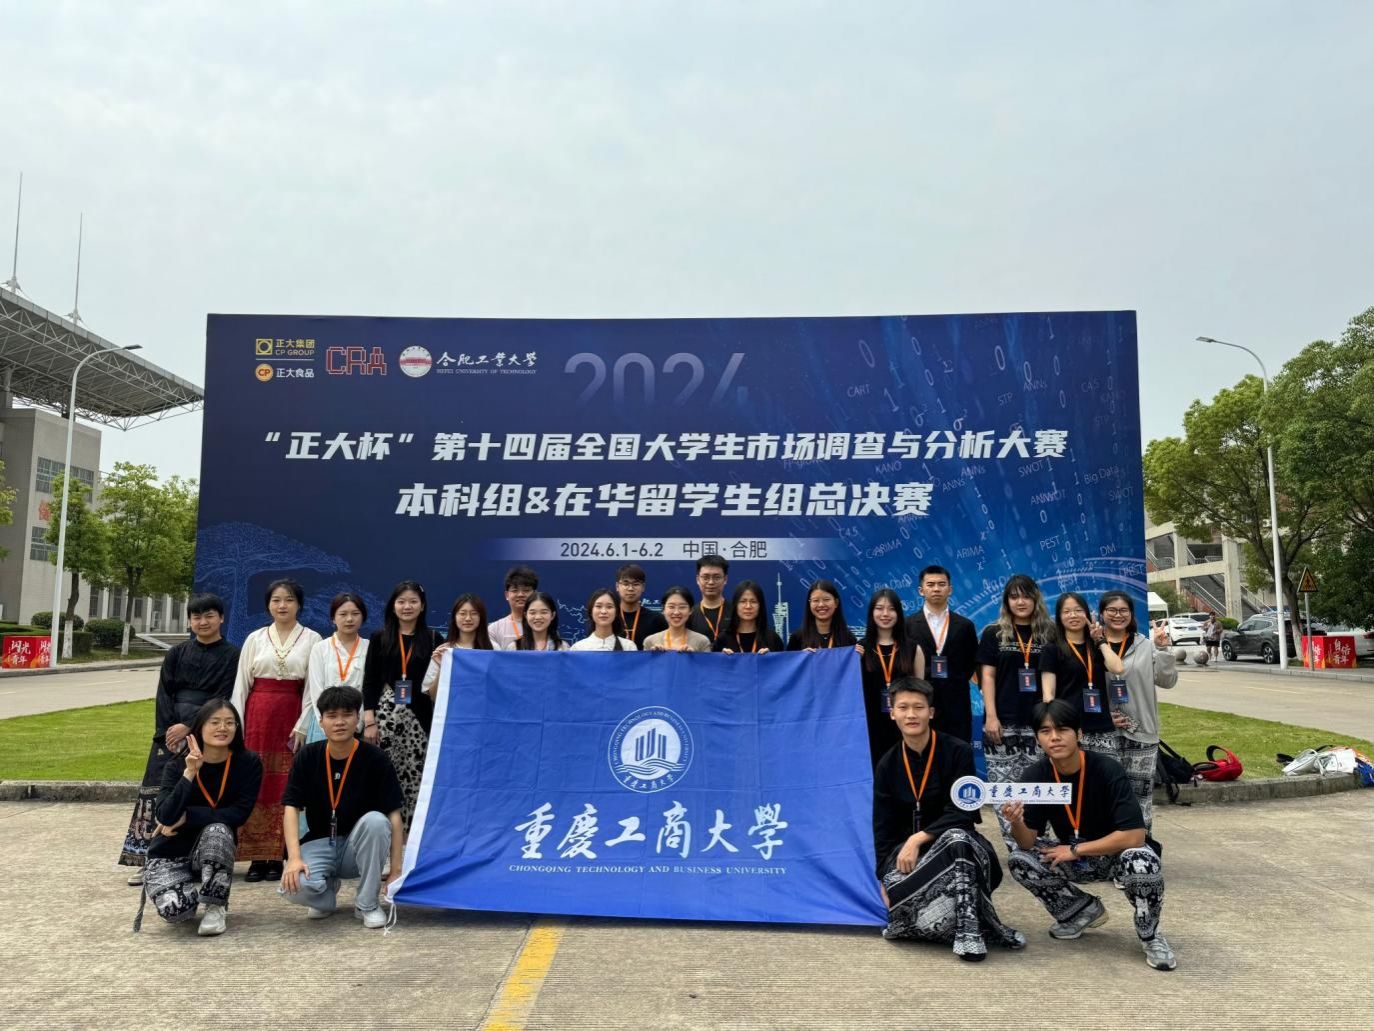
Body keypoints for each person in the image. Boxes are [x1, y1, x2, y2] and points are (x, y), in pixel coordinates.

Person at [1001, 699, 1175, 971]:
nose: (1054, 737)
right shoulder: (1036, 776)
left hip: (1117, 856)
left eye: (1062, 729)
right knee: (1020, 859)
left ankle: (1151, 935)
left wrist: (1074, 850)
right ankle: (1081, 911)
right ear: (1037, 739)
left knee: (1142, 861)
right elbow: (1026, 842)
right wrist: (1016, 822)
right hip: (1075, 857)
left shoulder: (1106, 769)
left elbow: (1135, 836)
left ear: (1079, 734)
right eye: (1045, 731)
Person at [873, 678, 1025, 962]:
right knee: (897, 891)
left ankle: (969, 933)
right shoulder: (887, 764)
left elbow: (964, 813)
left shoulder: (958, 751)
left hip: (961, 852)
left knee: (956, 838)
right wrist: (882, 877)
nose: (911, 714)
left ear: (931, 712)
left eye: (918, 707)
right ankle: (955, 920)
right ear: (892, 713)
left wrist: (918, 838)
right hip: (911, 862)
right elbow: (882, 828)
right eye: (903, 708)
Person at [119, 593, 239, 886]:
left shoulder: (232, 655)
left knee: (198, 793)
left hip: (207, 730)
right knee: (157, 793)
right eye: (197, 617)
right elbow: (164, 693)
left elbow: (223, 695)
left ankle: (196, 856)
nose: (203, 622)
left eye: (209, 616)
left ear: (221, 618)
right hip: (170, 733)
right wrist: (168, 733)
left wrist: (190, 726)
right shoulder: (176, 654)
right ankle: (150, 858)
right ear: (190, 621)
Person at [280, 686, 405, 929]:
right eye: (332, 716)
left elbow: (394, 815)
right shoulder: (308, 756)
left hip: (357, 847)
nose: (339, 722)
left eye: (347, 715)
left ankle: (367, 904)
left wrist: (396, 870)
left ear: (358, 719)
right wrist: (293, 858)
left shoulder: (375, 758)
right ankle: (325, 895)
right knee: (293, 886)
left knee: (377, 821)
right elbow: (291, 807)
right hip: (320, 842)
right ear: (321, 721)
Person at [137, 700, 263, 936]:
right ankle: (189, 890)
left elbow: (239, 814)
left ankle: (215, 905)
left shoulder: (248, 763)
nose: (222, 728)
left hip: (213, 848)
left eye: (229, 723)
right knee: (177, 911)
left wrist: (188, 816)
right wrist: (190, 773)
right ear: (200, 727)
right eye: (214, 722)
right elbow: (165, 815)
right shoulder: (177, 766)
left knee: (218, 830)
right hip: (172, 850)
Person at [231, 579, 321, 882]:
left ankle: (281, 853)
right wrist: (238, 727)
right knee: (257, 783)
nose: (282, 605)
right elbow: (241, 686)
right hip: (257, 718)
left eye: (289, 599)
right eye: (276, 600)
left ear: (299, 604)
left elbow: (312, 688)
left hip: (291, 717)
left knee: (286, 783)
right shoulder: (255, 638)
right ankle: (257, 857)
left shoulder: (312, 639)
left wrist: (302, 725)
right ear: (268, 604)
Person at [978, 574, 1056, 845]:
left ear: (1036, 599)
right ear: (1006, 601)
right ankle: (1015, 847)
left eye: (1026, 596)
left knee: (1039, 788)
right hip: (1002, 724)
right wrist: (991, 716)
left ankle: (1039, 842)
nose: (1020, 602)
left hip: (1039, 724)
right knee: (1005, 790)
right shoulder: (993, 633)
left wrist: (1049, 721)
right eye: (1014, 597)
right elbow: (987, 677)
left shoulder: (1049, 633)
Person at [361, 580, 443, 832]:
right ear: (393, 605)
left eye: (413, 601)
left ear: (422, 606)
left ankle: (413, 837)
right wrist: (369, 720)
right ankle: (384, 836)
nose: (407, 606)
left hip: (421, 718)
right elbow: (370, 680)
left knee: (418, 776)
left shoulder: (433, 638)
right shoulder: (379, 637)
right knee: (385, 775)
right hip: (386, 717)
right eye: (401, 601)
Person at [1098, 591, 1177, 831]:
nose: (1118, 615)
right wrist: (1103, 717)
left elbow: (1167, 681)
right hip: (1103, 733)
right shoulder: (1093, 645)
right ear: (1101, 614)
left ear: (1132, 614)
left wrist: (1163, 650)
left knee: (1139, 797)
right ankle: (1107, 846)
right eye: (1112, 610)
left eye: (1124, 610)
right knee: (1104, 796)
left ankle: (1142, 845)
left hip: (1142, 732)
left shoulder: (1145, 646)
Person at [1038, 592, 1124, 756]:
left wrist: (1100, 640)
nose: (1073, 615)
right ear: (1059, 617)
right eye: (1067, 611)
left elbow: (1118, 668)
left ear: (1087, 614)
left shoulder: (1097, 645)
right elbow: (1048, 695)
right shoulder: (1052, 649)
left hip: (1102, 727)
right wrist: (1055, 728)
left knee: (1104, 772)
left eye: (1078, 610)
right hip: (1069, 728)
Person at [905, 565, 980, 745]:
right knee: (924, 753)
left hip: (957, 704)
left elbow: (971, 663)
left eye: (941, 584)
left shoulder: (965, 626)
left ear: (950, 589)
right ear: (921, 590)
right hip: (922, 703)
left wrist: (955, 680)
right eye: (930, 584)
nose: (936, 589)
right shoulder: (908, 625)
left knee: (958, 752)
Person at [859, 589, 926, 767]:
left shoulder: (913, 648)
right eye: (879, 608)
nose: (885, 614)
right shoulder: (860, 649)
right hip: (869, 725)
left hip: (904, 722)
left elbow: (921, 692)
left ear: (899, 613)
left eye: (891, 609)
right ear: (871, 612)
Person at [295, 593, 369, 749]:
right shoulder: (320, 648)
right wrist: (326, 724)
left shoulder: (370, 648)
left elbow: (370, 689)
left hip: (357, 722)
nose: (349, 619)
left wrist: (358, 722)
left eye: (355, 614)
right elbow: (316, 690)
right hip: (325, 724)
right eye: (343, 614)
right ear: (333, 619)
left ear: (363, 617)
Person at [422, 593, 495, 699]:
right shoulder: (444, 651)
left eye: (474, 613)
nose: (468, 618)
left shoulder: (493, 649)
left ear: (481, 617)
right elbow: (433, 696)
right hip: (454, 709)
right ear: (455, 617)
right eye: (462, 613)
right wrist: (442, 667)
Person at [713, 580, 785, 654]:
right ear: (735, 605)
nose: (748, 606)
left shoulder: (773, 639)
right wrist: (722, 658)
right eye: (743, 601)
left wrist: (771, 658)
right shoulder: (722, 640)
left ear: (760, 606)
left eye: (753, 601)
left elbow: (783, 661)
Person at [786, 579, 859, 651]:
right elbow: (789, 659)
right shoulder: (797, 638)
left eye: (826, 599)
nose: (821, 605)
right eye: (815, 600)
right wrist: (801, 656)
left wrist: (859, 655)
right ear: (809, 604)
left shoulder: (848, 638)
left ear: (836, 603)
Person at [613, 564, 669, 648]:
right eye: (626, 584)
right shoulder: (610, 618)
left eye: (636, 584)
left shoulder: (657, 620)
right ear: (617, 586)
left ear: (643, 587)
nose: (630, 588)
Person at [643, 586, 712, 652]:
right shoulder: (650, 641)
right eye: (671, 607)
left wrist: (694, 656)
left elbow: (707, 661)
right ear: (663, 610)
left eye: (682, 607)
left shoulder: (702, 641)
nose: (676, 612)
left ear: (690, 610)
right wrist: (654, 656)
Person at [570, 588, 639, 651]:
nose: (603, 611)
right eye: (598, 606)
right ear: (591, 611)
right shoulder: (578, 648)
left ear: (616, 612)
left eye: (609, 607)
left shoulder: (628, 647)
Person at [488, 566, 538, 650]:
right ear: (507, 595)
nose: (520, 594)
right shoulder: (494, 629)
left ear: (535, 594)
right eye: (515, 590)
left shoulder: (544, 626)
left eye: (526, 590)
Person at [686, 554, 732, 644]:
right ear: (698, 579)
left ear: (725, 579)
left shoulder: (736, 612)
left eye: (716, 577)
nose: (711, 582)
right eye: (706, 577)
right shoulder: (689, 614)